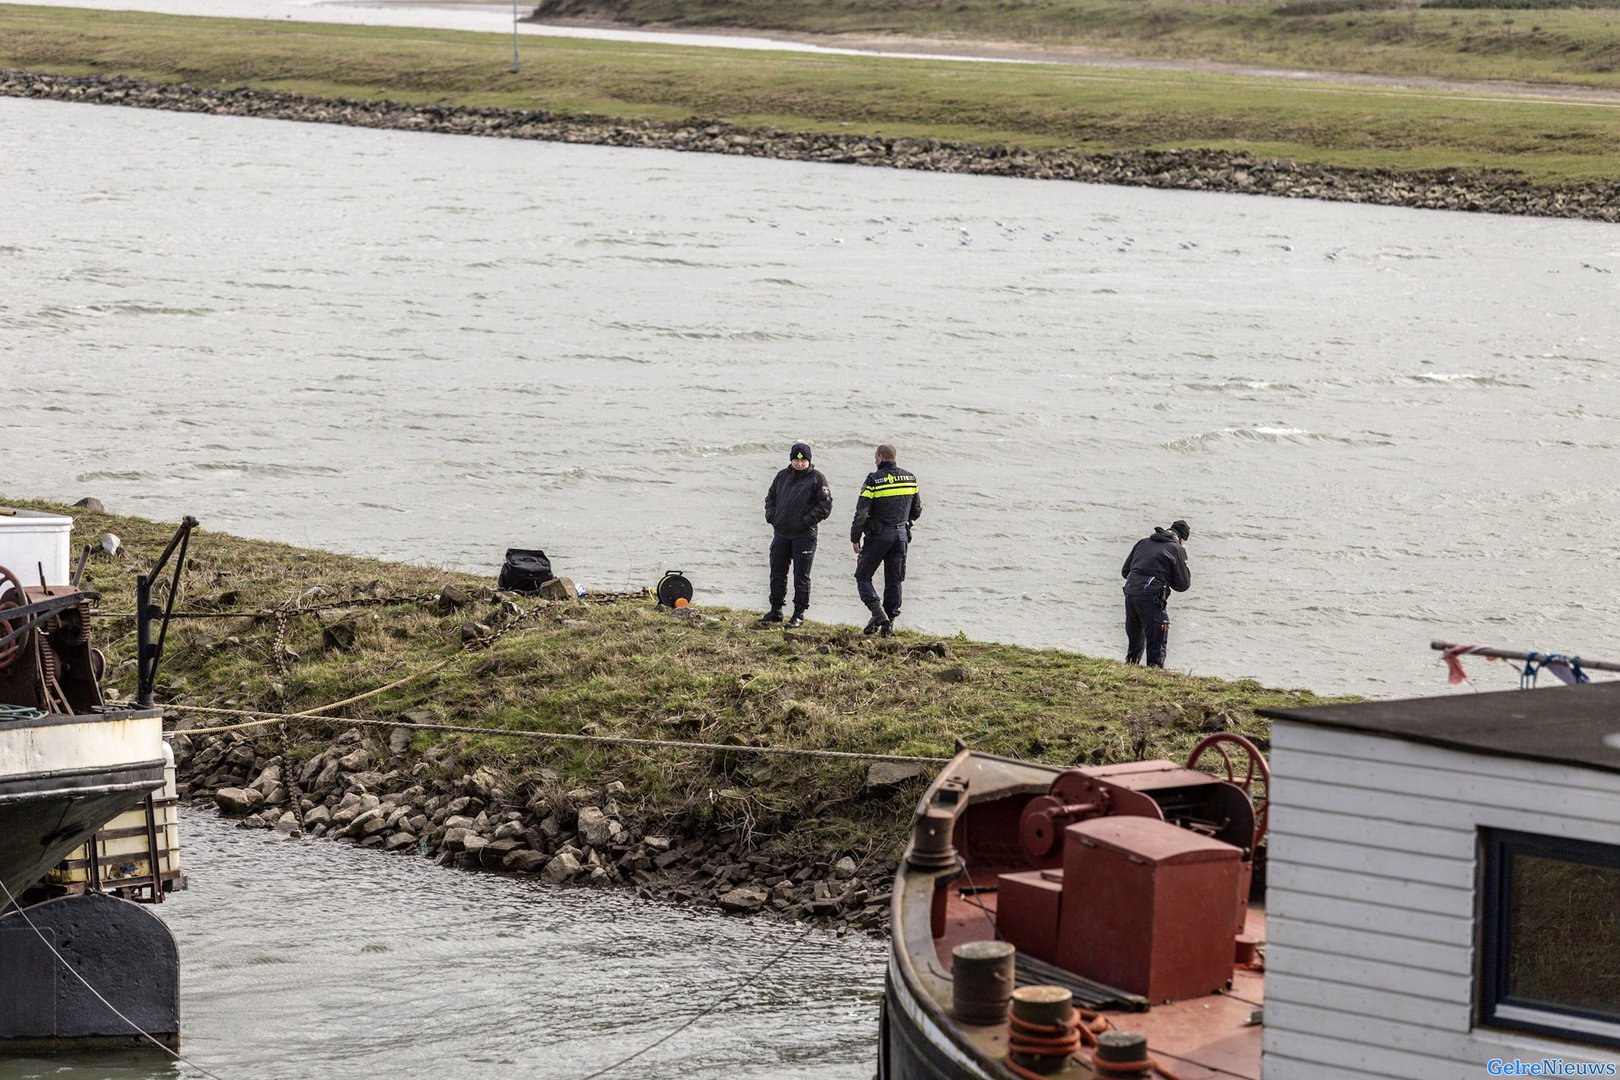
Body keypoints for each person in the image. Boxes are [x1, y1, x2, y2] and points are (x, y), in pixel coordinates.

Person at [850, 443, 921, 637]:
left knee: (862, 576)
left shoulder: (874, 480)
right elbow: (917, 510)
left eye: (875, 457)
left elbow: (861, 513)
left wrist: (855, 537)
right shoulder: (910, 478)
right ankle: (888, 625)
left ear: (880, 457)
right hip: (901, 536)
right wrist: (905, 525)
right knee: (894, 580)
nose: (875, 461)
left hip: (879, 536)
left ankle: (878, 613)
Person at [760, 442, 833, 628]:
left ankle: (799, 614)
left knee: (801, 575)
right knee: (777, 572)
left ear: (808, 460)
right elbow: (770, 497)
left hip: (804, 535)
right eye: (796, 459)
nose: (799, 463)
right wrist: (771, 516)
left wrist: (806, 520)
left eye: (803, 460)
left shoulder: (817, 478)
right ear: (791, 459)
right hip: (781, 533)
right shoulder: (782, 476)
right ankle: (776, 610)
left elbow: (825, 506)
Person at [1121, 519, 1191, 667]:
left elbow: (1125, 571)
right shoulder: (1177, 549)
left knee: (1135, 640)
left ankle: (1130, 668)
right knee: (1157, 643)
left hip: (1131, 593)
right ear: (1182, 539)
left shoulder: (1143, 542)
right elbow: (1183, 585)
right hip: (1151, 596)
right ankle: (1154, 674)